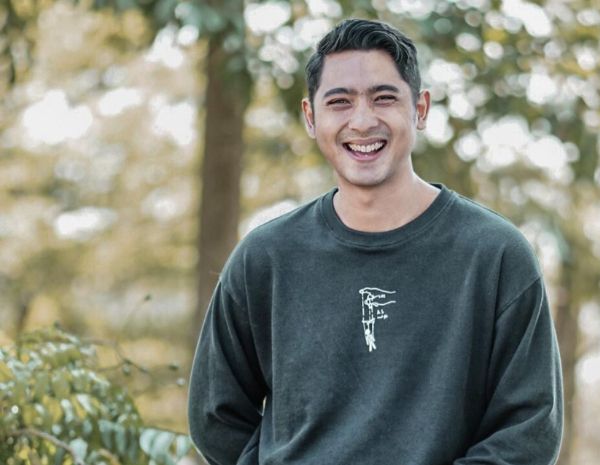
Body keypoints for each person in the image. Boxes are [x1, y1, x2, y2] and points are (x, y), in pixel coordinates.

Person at [188, 18, 563, 465]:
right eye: (339, 102)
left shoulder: (495, 255)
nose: (363, 121)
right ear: (311, 117)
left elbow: (529, 428)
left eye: (384, 98)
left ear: (420, 109)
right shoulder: (265, 258)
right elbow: (215, 414)